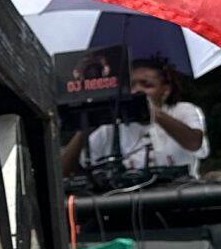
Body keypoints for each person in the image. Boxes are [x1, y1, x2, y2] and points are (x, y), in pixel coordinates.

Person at [63, 54, 207, 179]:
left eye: (146, 85)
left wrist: (154, 113)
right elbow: (64, 171)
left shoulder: (184, 110)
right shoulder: (111, 127)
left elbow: (194, 143)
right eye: (132, 85)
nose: (137, 90)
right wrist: (85, 128)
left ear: (166, 90)